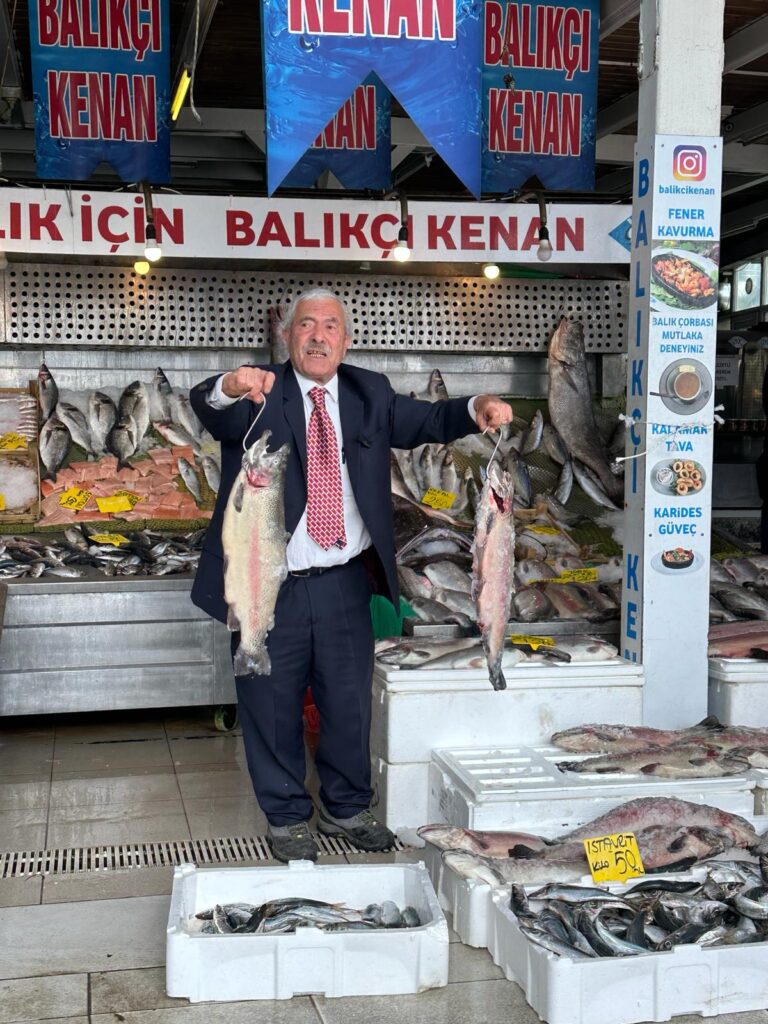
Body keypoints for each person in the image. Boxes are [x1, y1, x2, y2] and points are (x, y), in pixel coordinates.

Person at [189, 289, 513, 862]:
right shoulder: (261, 391)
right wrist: (229, 386)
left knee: (347, 703)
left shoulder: (370, 392)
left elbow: (430, 418)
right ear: (288, 335)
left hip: (343, 579)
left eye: (330, 326)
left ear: (346, 339)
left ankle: (345, 805)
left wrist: (477, 406)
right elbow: (209, 408)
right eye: (306, 325)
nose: (318, 336)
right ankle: (287, 815)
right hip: (269, 583)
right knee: (270, 704)